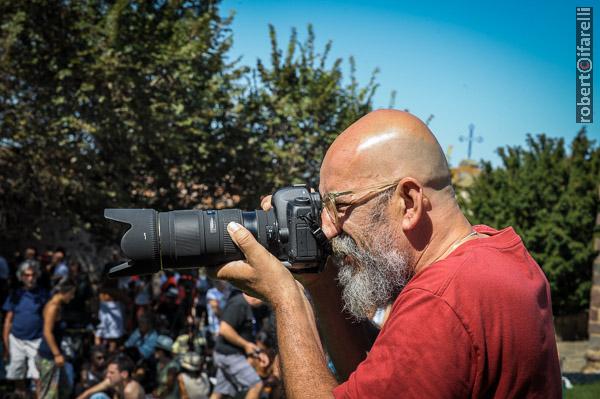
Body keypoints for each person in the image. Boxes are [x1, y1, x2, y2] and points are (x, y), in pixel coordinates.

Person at [213, 110, 562, 398]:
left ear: (408, 202)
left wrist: (286, 298)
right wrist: (321, 283)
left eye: (342, 205)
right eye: (324, 206)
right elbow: (386, 378)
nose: (329, 228)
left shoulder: (442, 299)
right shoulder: (495, 255)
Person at [2, 260, 49, 398]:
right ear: (21, 277)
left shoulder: (43, 295)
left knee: (37, 375)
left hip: (36, 338)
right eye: (27, 275)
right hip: (16, 338)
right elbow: (8, 320)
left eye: (33, 275)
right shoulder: (15, 295)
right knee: (17, 372)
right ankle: (21, 396)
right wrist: (6, 344)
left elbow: (49, 318)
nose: (30, 278)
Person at [210, 290, 266, 399]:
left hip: (229, 355)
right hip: (228, 354)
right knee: (256, 385)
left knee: (219, 393)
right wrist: (245, 345)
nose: (263, 302)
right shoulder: (238, 304)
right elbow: (224, 329)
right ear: (254, 295)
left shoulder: (252, 308)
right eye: (263, 299)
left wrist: (259, 353)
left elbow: (249, 336)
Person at [36, 278, 77, 398]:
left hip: (55, 356)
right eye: (72, 293)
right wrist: (57, 354)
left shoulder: (58, 306)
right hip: (48, 356)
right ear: (65, 292)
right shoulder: (52, 307)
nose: (72, 297)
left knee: (64, 389)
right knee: (49, 394)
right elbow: (47, 332)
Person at [76, 354, 145, 399]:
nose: (107, 375)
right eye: (108, 372)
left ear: (124, 374)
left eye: (112, 373)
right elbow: (87, 393)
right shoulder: (111, 381)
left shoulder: (130, 390)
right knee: (97, 397)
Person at [95, 286, 125, 353]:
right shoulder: (116, 304)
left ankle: (104, 353)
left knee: (110, 340)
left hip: (111, 328)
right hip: (108, 327)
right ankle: (100, 353)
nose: (100, 296)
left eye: (102, 295)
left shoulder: (114, 305)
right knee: (101, 338)